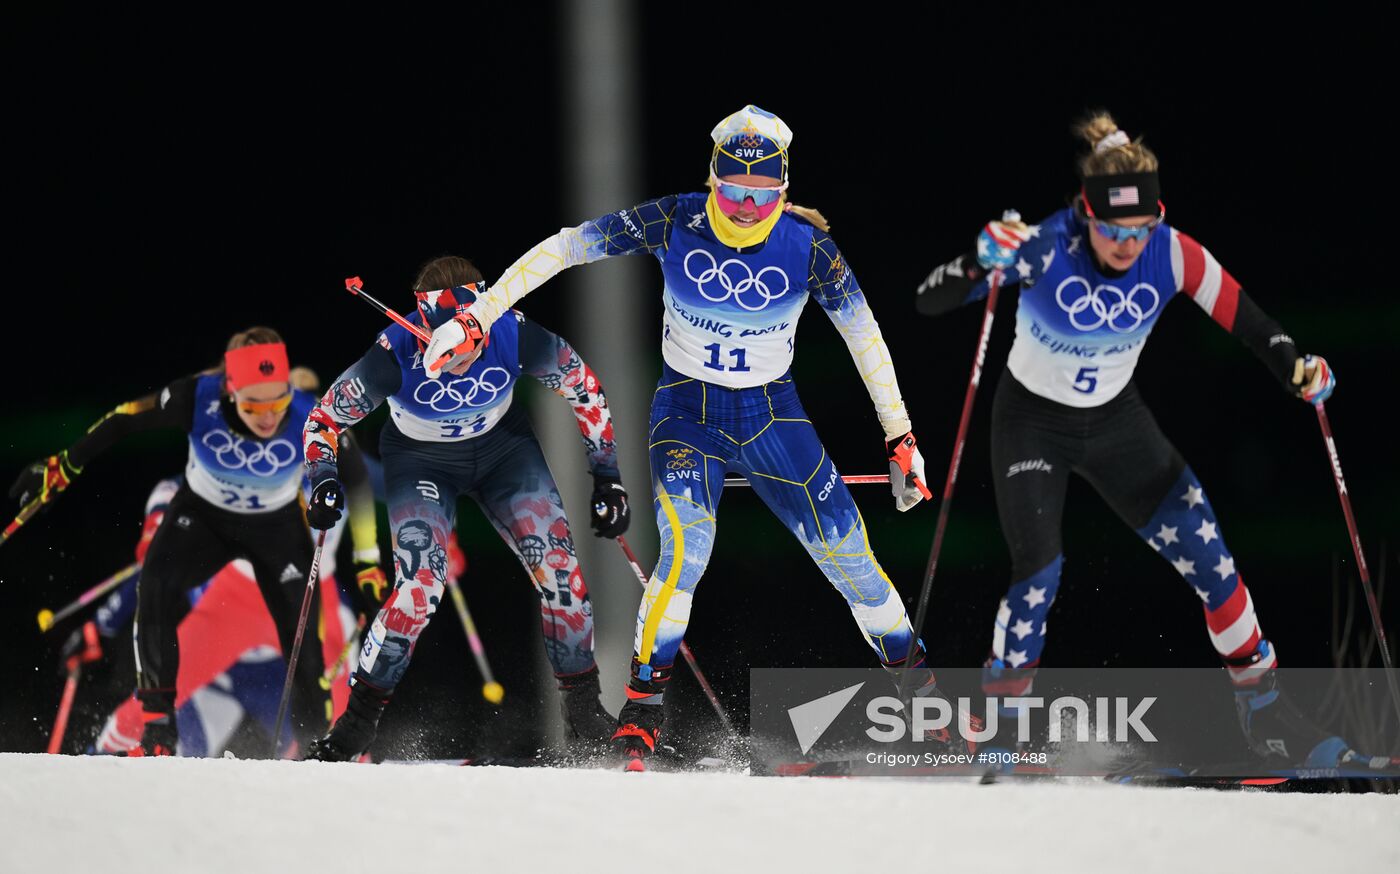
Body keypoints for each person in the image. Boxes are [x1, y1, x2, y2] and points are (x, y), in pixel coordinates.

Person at [420, 105, 942, 768]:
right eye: (732, 192)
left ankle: (926, 701)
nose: (747, 208)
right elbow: (567, 245)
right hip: (687, 417)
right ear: (711, 182)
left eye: (762, 196)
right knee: (686, 555)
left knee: (854, 563)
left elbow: (864, 338)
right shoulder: (676, 219)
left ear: (782, 192)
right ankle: (641, 714)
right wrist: (479, 316)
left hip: (772, 419)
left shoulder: (810, 249)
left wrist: (900, 437)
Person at [913, 112, 1354, 766]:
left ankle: (1267, 715)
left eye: (1139, 231)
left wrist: (1299, 369)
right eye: (1113, 231)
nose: (1126, 246)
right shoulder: (1041, 247)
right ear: (1083, 214)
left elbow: (1251, 321)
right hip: (1031, 422)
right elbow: (928, 300)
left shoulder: (1172, 253)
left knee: (1214, 563)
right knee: (1040, 569)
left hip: (1116, 423)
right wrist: (979, 259)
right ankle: (999, 728)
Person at [300, 255, 629, 761]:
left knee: (560, 573)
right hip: (419, 461)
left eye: (469, 342)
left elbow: (584, 387)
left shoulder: (512, 332)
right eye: (444, 345)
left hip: (504, 451)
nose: (459, 356)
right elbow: (323, 419)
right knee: (419, 589)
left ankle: (584, 714)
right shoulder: (396, 352)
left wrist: (607, 476)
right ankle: (356, 725)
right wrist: (323, 478)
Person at [11, 328, 373, 754]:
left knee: (324, 687)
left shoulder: (315, 425)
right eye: (256, 404)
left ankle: (338, 769)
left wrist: (376, 564)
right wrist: (66, 465)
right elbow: (126, 420)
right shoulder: (198, 402)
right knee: (159, 586)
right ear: (232, 390)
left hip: (296, 573)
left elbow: (380, 488)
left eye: (281, 402)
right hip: (232, 590)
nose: (272, 418)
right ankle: (128, 743)